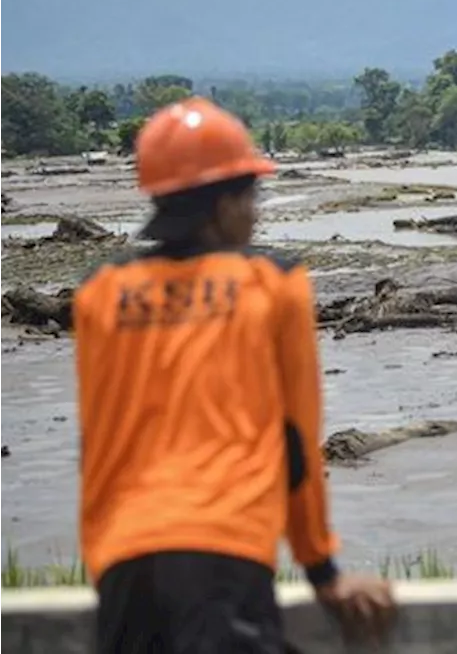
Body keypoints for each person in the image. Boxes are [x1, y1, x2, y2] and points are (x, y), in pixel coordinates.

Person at [74, 97, 396, 653]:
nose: (256, 212)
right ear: (223, 206)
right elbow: (295, 440)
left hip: (122, 565)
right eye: (251, 194)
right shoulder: (273, 284)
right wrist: (323, 571)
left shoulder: (99, 292)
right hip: (225, 558)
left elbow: (95, 442)